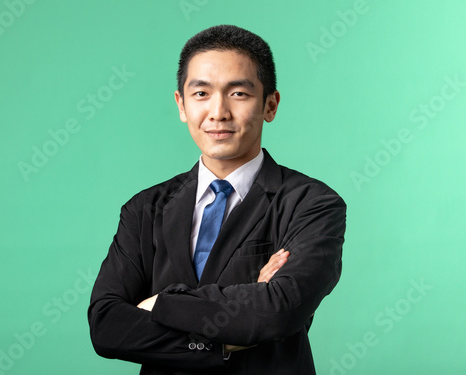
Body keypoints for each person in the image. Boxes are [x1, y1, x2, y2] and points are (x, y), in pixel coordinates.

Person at [88, 25, 346, 374]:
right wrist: (225, 337)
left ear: (270, 104)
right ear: (181, 105)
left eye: (238, 94)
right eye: (201, 94)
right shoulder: (144, 209)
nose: (218, 112)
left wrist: (161, 302)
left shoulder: (312, 204)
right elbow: (107, 325)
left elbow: (280, 309)